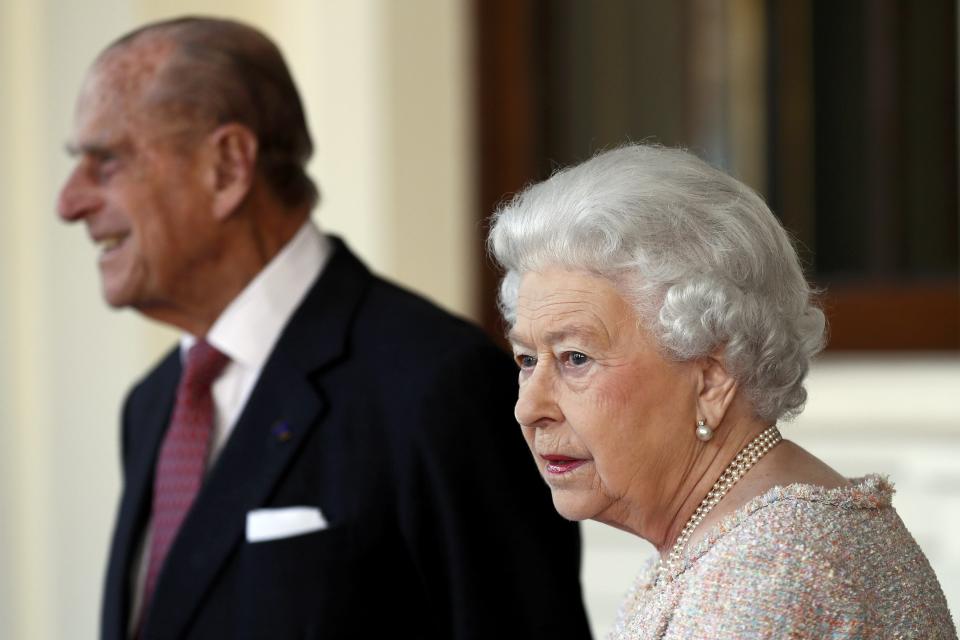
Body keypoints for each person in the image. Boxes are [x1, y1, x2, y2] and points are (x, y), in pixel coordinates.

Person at [57, 16, 591, 640]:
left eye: (107, 160)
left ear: (227, 167)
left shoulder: (441, 385)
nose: (70, 202)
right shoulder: (151, 407)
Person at [488, 144, 958, 638]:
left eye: (575, 359)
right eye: (527, 360)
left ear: (712, 377)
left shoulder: (770, 572)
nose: (528, 407)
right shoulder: (731, 540)